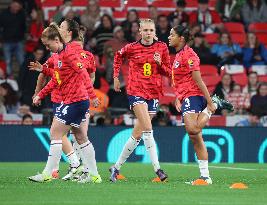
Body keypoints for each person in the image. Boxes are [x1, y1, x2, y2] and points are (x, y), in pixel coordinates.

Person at [28, 23, 101, 183]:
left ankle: (47, 174)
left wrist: (92, 95)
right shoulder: (60, 55)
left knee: (55, 133)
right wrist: (40, 94)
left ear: (56, 40)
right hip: (74, 101)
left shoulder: (68, 53)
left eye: (48, 45)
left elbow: (83, 73)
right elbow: (56, 79)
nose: (47, 48)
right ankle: (95, 176)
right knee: (81, 137)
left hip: (75, 100)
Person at [168, 25, 234, 185]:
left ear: (181, 39)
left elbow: (199, 81)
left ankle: (215, 104)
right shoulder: (178, 55)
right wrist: (178, 97)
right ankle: (205, 176)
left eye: (172, 35)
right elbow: (180, 80)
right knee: (195, 137)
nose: (169, 37)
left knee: (193, 129)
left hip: (194, 95)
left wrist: (210, 103)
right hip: (186, 96)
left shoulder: (190, 55)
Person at [109, 19, 170, 182]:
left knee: (137, 133)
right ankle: (158, 169)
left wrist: (160, 63)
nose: (149, 33)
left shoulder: (162, 47)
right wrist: (116, 77)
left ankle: (116, 167)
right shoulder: (132, 48)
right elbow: (117, 57)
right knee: (148, 128)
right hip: (136, 91)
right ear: (140, 32)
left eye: (151, 30)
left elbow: (169, 72)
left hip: (153, 93)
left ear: (155, 32)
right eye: (146, 30)